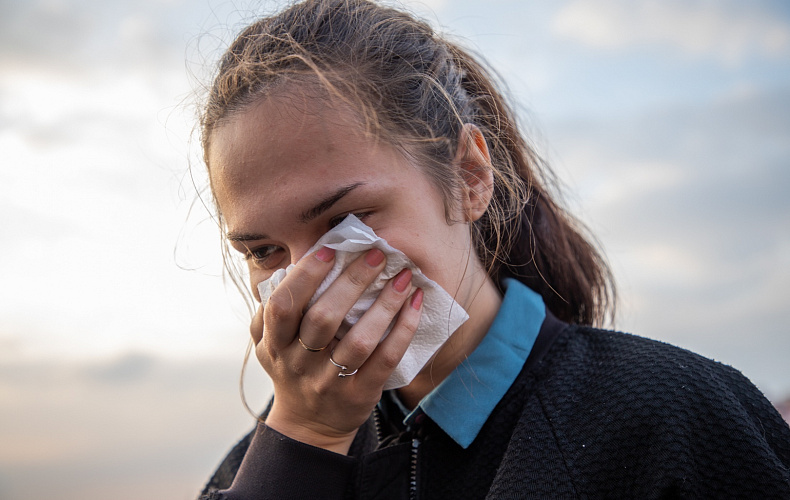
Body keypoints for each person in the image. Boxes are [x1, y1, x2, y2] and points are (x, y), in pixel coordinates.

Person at [195, 0, 790, 498]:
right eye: (265, 250)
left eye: (346, 219)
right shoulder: (263, 466)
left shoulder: (674, 416)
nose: (308, 283)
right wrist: (304, 442)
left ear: (469, 177)